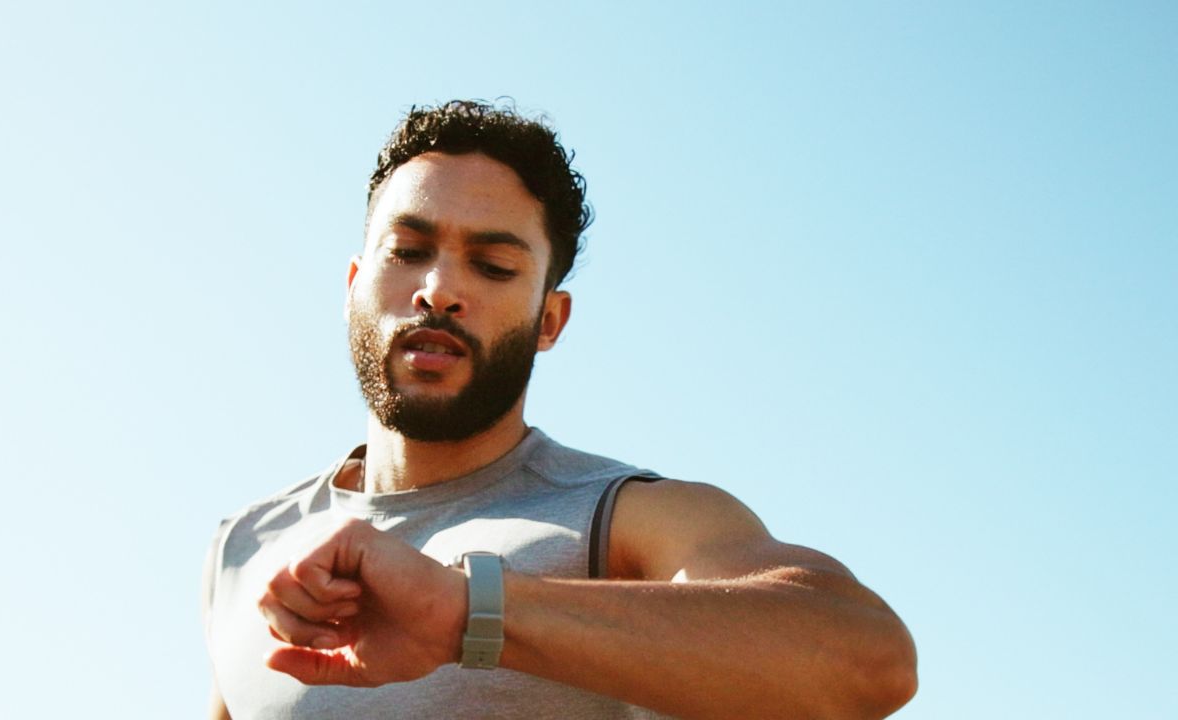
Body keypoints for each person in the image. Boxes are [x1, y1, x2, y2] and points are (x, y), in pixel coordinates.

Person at [201, 101, 919, 719]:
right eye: (410, 250)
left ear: (550, 319)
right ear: (355, 284)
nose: (440, 288)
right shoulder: (246, 546)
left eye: (493, 266)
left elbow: (868, 663)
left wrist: (468, 612)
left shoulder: (619, 518)